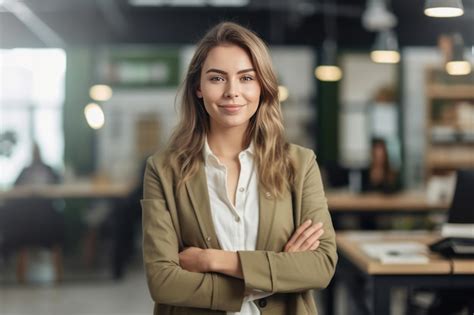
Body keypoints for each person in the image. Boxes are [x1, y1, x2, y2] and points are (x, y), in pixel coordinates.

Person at [141, 22, 337, 314]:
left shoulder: (299, 164)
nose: (233, 92)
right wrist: (276, 272)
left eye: (246, 78)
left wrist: (214, 261)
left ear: (262, 86)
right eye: (217, 78)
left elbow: (321, 266)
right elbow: (163, 282)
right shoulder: (163, 170)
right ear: (198, 87)